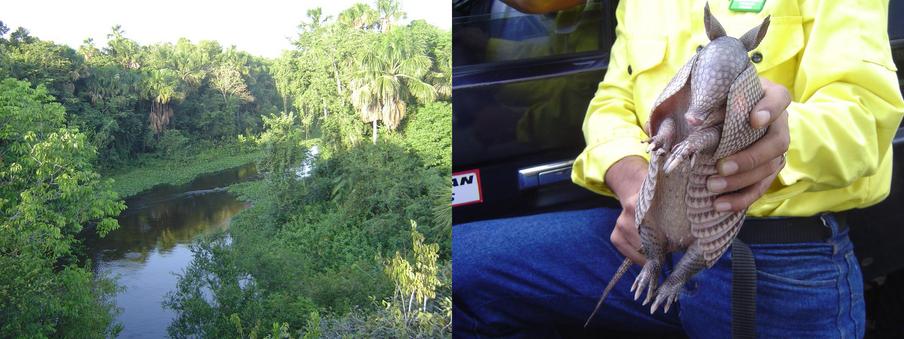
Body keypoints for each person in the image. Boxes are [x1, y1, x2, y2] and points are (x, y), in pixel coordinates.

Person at [453, 0, 904, 337]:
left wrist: (778, 139)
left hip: (775, 259)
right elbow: (611, 100)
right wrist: (631, 181)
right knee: (456, 269)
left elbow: (865, 114)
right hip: (651, 233)